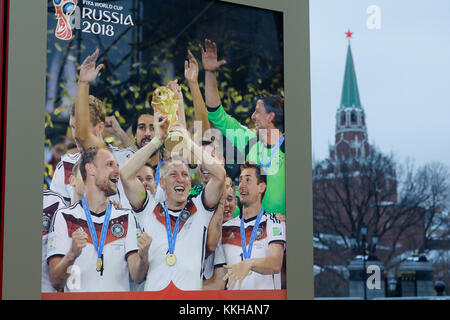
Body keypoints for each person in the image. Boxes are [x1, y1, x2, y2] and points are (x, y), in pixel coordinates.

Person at [119, 115, 226, 291]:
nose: (180, 180)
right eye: (173, 175)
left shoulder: (200, 208)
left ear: (190, 183)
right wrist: (157, 140)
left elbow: (220, 175)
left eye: (185, 175)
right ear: (161, 182)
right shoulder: (149, 209)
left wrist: (189, 142)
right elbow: (125, 173)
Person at [199, 39, 286, 216]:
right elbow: (217, 115)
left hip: (278, 233)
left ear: (271, 116)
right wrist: (209, 73)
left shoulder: (289, 148)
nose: (253, 117)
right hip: (246, 228)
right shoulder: (250, 140)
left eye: (257, 112)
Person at [47, 146, 151, 292]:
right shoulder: (65, 217)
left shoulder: (125, 217)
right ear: (91, 169)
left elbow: (137, 276)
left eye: (117, 165)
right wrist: (72, 254)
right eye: (110, 164)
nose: (117, 170)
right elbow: (55, 281)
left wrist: (144, 257)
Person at [219, 163, 285, 290]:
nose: (242, 185)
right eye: (240, 180)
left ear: (261, 187)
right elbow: (219, 278)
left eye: (248, 180)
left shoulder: (274, 222)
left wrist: (249, 264)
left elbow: (275, 263)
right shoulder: (225, 229)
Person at [202, 177, 237, 289]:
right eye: (222, 199)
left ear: (236, 203)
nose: (226, 204)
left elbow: (219, 284)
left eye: (230, 199)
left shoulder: (241, 230)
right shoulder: (203, 227)